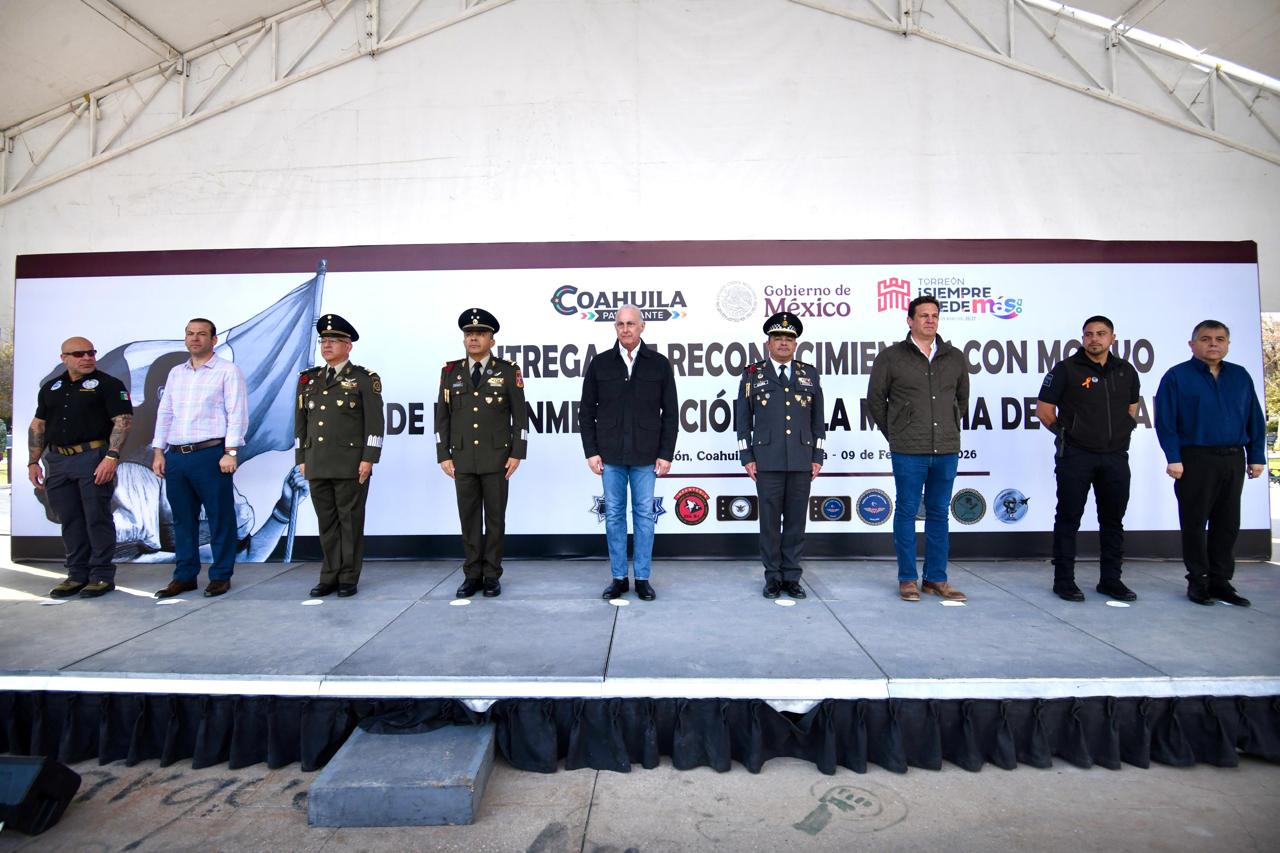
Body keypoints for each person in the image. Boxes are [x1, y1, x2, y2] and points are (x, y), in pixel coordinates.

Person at [1154, 320, 1265, 607]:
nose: (1213, 343)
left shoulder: (1240, 376)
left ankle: (1221, 581)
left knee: (1227, 523)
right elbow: (1166, 421)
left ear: (1227, 344)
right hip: (1195, 458)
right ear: (1192, 344)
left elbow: (1254, 417)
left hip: (1233, 457)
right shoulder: (1177, 376)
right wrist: (1173, 457)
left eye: (1219, 339)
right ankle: (1198, 581)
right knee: (1194, 522)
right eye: (1205, 339)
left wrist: (1256, 456)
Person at [867, 295, 970, 602]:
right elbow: (875, 401)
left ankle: (936, 579)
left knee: (939, 512)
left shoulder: (954, 357)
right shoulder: (891, 357)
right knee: (907, 511)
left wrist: (949, 427)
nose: (930, 320)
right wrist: (897, 433)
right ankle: (908, 579)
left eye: (934, 315)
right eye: (923, 315)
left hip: (946, 449)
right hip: (908, 450)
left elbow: (961, 400)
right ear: (910, 320)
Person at [1036, 316, 1141, 602]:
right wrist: (1069, 435)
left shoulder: (1126, 371)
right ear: (1082, 338)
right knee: (1068, 519)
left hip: (1115, 457)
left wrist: (1120, 433)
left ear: (1112, 338)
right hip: (1076, 456)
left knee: (1113, 521)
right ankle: (1064, 581)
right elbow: (1044, 411)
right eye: (1089, 334)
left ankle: (1111, 580)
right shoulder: (1065, 369)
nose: (1094, 339)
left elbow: (1131, 409)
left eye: (1101, 333)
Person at [580, 305, 679, 601]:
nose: (625, 329)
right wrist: (591, 451)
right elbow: (586, 412)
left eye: (631, 324)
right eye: (620, 324)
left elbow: (671, 414)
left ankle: (643, 578)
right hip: (610, 455)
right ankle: (619, 578)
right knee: (613, 517)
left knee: (644, 517)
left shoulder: (659, 364)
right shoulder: (600, 364)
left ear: (642, 326)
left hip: (646, 456)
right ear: (615, 327)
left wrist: (666, 453)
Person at [149, 318, 248, 598]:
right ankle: (184, 576)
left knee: (219, 517)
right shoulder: (176, 373)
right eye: (190, 333)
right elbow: (165, 413)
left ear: (213, 340)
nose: (195, 338)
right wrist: (158, 451)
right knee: (182, 519)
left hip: (210, 454)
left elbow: (237, 413)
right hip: (177, 456)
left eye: (201, 334)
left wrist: (231, 452)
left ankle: (220, 576)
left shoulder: (227, 371)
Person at [29, 337, 132, 598]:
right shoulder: (51, 387)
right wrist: (33, 461)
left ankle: (101, 576)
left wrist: (111, 457)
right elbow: (39, 425)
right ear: (64, 358)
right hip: (58, 460)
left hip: (93, 457)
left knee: (97, 517)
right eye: (79, 354)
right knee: (70, 518)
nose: (87, 358)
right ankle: (76, 575)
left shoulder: (109, 384)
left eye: (90, 353)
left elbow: (122, 421)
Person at [435, 308, 527, 598]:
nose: (473, 338)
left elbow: (520, 417)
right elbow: (442, 417)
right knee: (469, 519)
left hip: (497, 458)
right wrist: (443, 453)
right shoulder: (450, 372)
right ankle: (471, 574)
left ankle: (491, 575)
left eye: (480, 334)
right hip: (462, 458)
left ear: (492, 340)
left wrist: (517, 452)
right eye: (469, 334)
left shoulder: (508, 371)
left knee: (495, 519)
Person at [734, 313, 825, 599]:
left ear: (795, 344)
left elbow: (818, 419)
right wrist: (747, 456)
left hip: (801, 459)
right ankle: (773, 577)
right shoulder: (752, 374)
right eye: (778, 338)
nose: (783, 343)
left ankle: (792, 577)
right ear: (768, 344)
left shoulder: (809, 374)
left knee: (796, 524)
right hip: (767, 460)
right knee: (770, 524)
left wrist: (817, 455)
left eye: (789, 338)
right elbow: (742, 420)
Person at [296, 314, 385, 598]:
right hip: (317, 461)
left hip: (350, 464)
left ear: (348, 346)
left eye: (334, 340)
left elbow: (375, 423)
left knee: (350, 523)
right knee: (327, 523)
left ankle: (348, 577)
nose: (327, 345)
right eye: (324, 340)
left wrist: (369, 458)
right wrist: (301, 457)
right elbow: (301, 422)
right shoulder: (308, 379)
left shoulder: (363, 379)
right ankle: (329, 576)